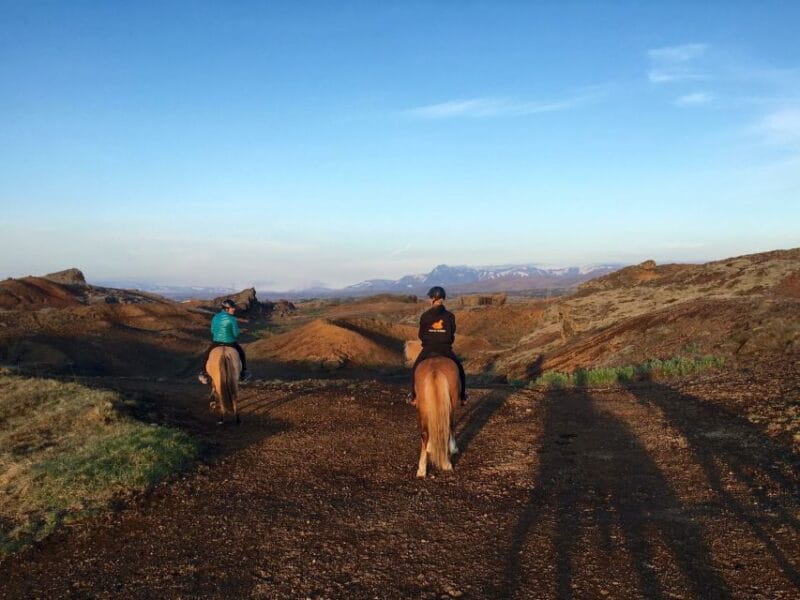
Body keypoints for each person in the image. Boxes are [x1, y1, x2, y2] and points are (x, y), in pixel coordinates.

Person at [409, 286, 467, 406]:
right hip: (445, 349)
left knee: (415, 368)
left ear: (432, 299)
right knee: (460, 369)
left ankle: (414, 396)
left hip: (428, 348)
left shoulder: (425, 316)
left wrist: (429, 339)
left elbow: (421, 335)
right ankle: (462, 396)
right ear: (443, 299)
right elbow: (451, 335)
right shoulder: (450, 316)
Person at [198, 299, 251, 384]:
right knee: (241, 354)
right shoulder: (232, 319)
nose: (234, 309)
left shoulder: (215, 317)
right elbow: (236, 334)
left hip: (217, 342)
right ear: (226, 309)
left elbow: (212, 330)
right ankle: (243, 373)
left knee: (206, 355)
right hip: (230, 343)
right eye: (232, 308)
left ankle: (203, 373)